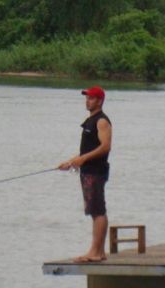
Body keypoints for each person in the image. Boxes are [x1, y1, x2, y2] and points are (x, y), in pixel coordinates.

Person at [58, 85, 112, 263]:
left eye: (91, 98)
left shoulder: (102, 121)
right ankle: (98, 251)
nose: (87, 101)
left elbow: (105, 147)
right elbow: (87, 150)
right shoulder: (90, 121)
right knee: (94, 211)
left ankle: (96, 252)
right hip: (88, 171)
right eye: (86, 98)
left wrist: (83, 159)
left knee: (98, 211)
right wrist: (71, 162)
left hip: (96, 172)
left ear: (99, 101)